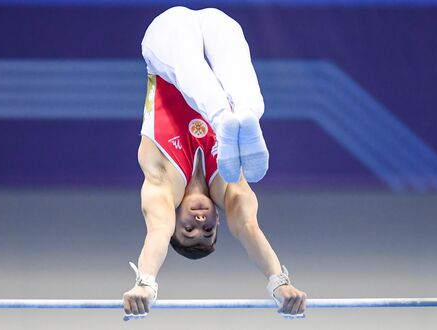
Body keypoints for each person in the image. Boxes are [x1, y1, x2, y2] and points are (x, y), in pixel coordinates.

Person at [122, 6, 307, 320]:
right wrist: (279, 283)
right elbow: (248, 227)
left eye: (188, 229)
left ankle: (225, 118)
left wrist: (145, 284)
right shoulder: (227, 183)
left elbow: (156, 232)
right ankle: (247, 115)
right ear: (218, 222)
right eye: (207, 230)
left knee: (189, 68)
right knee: (238, 79)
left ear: (174, 220)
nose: (199, 222)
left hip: (166, 37)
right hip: (219, 25)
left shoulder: (161, 184)